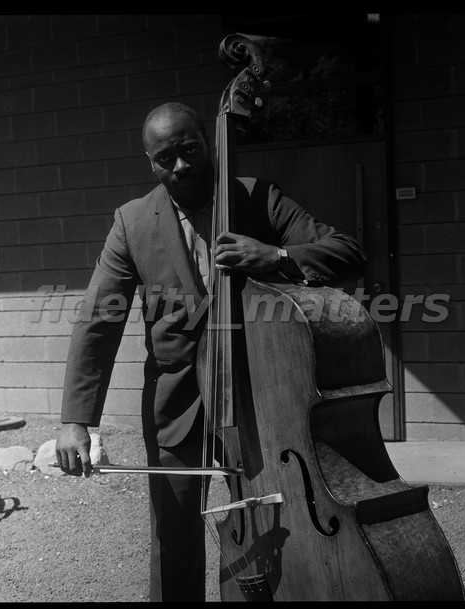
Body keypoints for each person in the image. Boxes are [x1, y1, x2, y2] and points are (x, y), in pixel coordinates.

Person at [55, 102, 367, 601]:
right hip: (176, 402)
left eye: (189, 151)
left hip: (262, 396)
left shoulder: (257, 197)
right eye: (164, 159)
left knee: (282, 517)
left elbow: (348, 252)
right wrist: (76, 420)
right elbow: (98, 319)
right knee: (172, 535)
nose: (179, 166)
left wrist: (277, 256)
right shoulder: (132, 222)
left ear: (209, 143)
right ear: (150, 163)